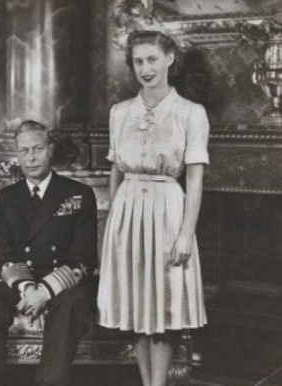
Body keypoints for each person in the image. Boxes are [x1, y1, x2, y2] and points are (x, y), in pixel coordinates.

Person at [97, 30, 208, 386]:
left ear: (169, 59)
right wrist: (115, 220)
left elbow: (194, 179)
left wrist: (186, 233)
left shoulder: (190, 113)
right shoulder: (120, 112)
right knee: (136, 307)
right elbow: (115, 170)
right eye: (139, 61)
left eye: (152, 59)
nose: (145, 68)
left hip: (167, 212)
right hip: (127, 213)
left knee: (161, 307)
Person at [0, 120, 98, 386]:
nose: (31, 157)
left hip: (63, 286)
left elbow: (84, 258)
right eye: (24, 150)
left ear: (50, 149)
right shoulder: (7, 197)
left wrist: (45, 291)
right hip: (25, 282)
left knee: (74, 302)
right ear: (17, 154)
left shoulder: (78, 193)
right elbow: (0, 254)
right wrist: (28, 289)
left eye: (37, 149)